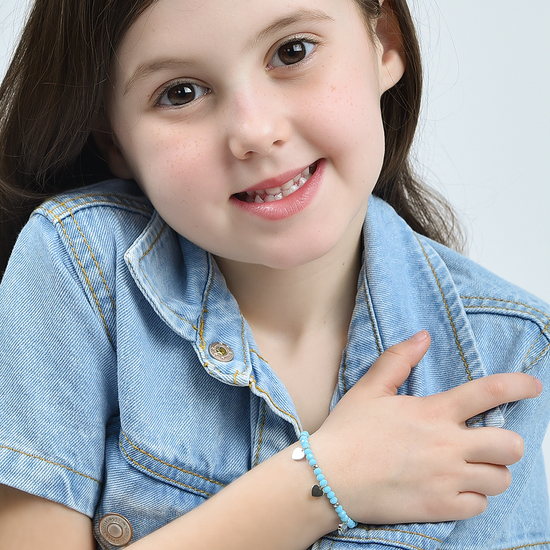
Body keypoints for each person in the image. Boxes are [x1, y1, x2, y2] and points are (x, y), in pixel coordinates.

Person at [0, 0, 548, 548]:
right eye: (181, 93)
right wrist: (319, 483)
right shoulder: (78, 269)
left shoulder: (508, 350)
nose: (255, 132)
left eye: (292, 52)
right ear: (113, 141)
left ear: (386, 43)